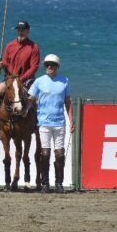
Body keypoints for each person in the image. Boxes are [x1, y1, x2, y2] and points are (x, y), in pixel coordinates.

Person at [28, 54, 74, 193]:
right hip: (44, 123)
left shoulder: (64, 81)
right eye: (47, 64)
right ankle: (45, 184)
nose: (49, 67)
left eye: (52, 65)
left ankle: (59, 183)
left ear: (57, 67)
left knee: (60, 154)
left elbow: (68, 102)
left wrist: (71, 120)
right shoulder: (39, 81)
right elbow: (31, 99)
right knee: (45, 153)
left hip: (60, 122)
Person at [0, 20, 40, 97]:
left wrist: (20, 79)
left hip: (26, 81)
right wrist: (0, 65)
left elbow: (34, 68)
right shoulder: (10, 45)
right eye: (19, 30)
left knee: (34, 99)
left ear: (28, 31)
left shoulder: (34, 47)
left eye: (23, 30)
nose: (20, 32)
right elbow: (5, 63)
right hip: (9, 80)